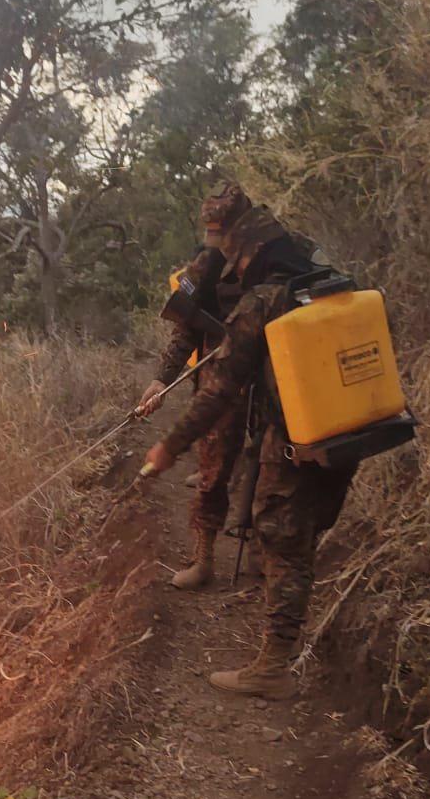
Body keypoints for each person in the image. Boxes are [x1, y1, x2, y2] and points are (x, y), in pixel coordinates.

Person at [143, 183, 357, 699]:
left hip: (290, 416)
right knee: (278, 517)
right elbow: (187, 330)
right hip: (345, 417)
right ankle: (216, 559)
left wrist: (169, 446)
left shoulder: (266, 294)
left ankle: (273, 665)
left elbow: (217, 389)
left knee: (282, 529)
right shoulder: (313, 272)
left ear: (243, 242)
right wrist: (163, 376)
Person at [136, 236, 249, 590]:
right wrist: (160, 381)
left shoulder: (260, 270)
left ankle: (244, 550)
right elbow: (185, 330)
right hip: (223, 381)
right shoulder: (202, 270)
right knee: (215, 466)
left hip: (263, 380)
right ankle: (206, 559)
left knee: (261, 459)